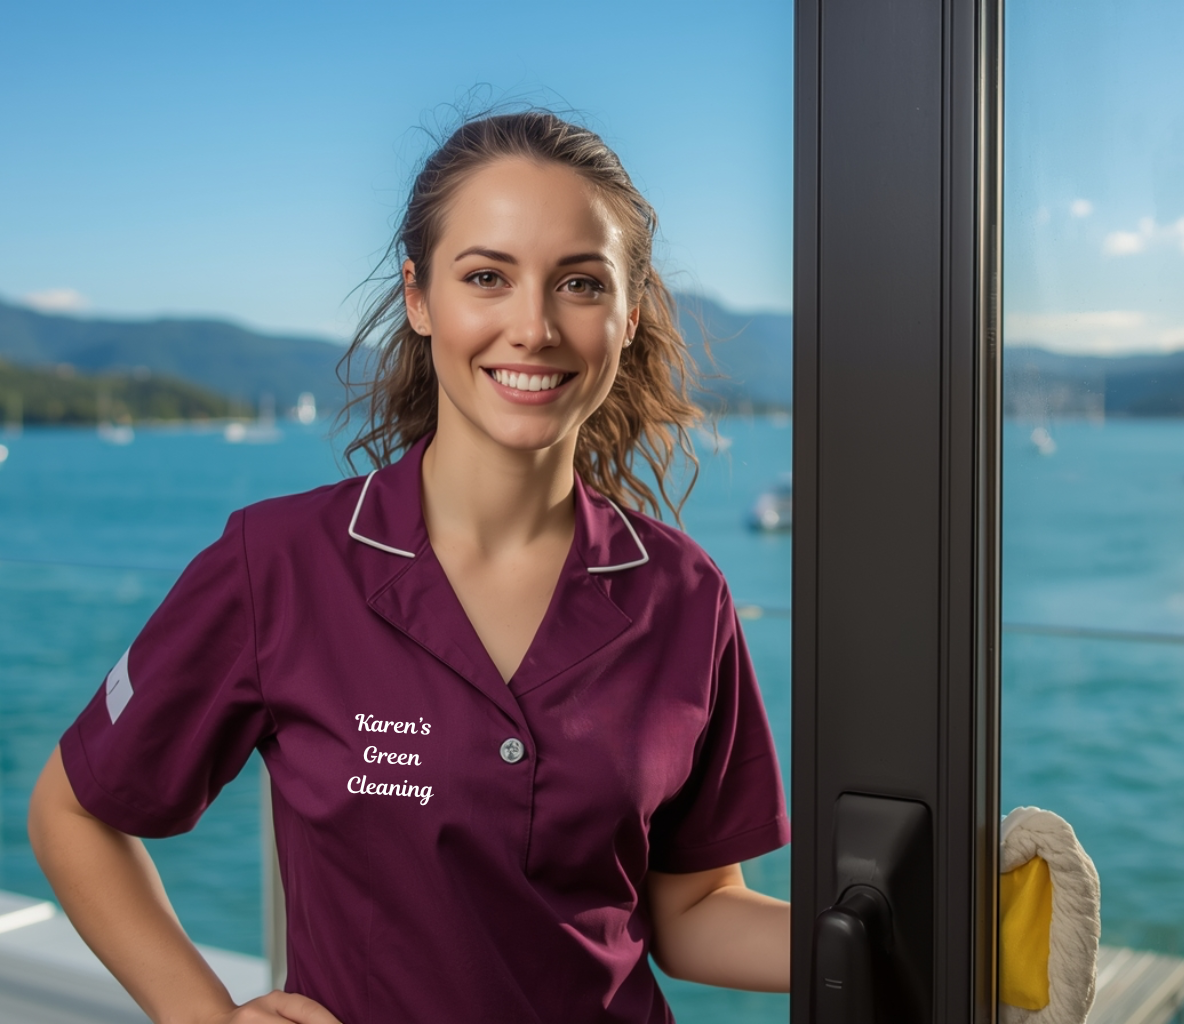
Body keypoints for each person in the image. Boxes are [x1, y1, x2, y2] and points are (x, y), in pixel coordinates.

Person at [28, 110, 791, 1024]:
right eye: (486, 278)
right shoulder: (278, 564)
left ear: (627, 317)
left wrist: (935, 934)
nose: (534, 326)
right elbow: (74, 812)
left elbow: (695, 908)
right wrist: (208, 1017)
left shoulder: (683, 592)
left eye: (580, 284)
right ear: (420, 298)